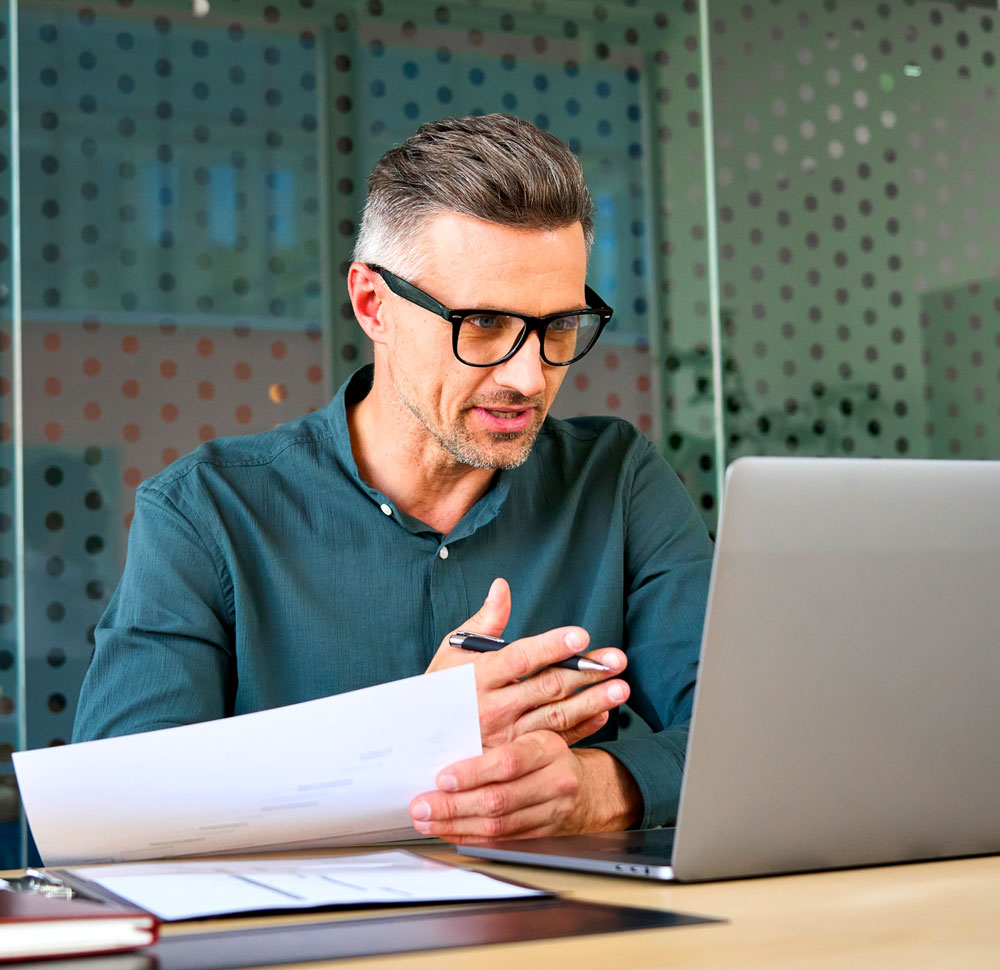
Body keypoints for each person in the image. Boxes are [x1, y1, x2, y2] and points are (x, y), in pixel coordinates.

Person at [73, 114, 713, 842]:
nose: (530, 376)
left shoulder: (618, 481)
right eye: (481, 325)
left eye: (559, 326)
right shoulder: (205, 514)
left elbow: (755, 735)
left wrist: (606, 786)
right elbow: (109, 815)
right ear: (374, 304)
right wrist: (407, 738)